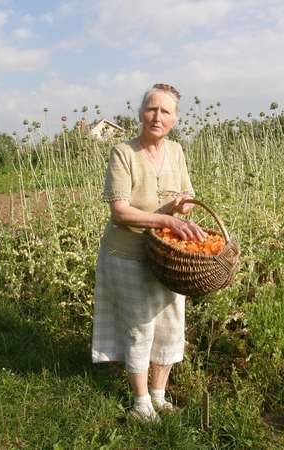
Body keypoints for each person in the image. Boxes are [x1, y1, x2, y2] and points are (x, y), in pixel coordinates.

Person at [91, 83, 206, 422]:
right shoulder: (123, 152)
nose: (158, 116)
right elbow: (120, 212)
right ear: (141, 113)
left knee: (170, 325)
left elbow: (183, 197)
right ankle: (141, 404)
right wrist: (163, 218)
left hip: (168, 254)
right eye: (152, 109)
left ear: (175, 119)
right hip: (127, 253)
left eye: (166, 111)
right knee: (140, 327)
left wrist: (181, 206)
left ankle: (160, 395)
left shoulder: (177, 151)